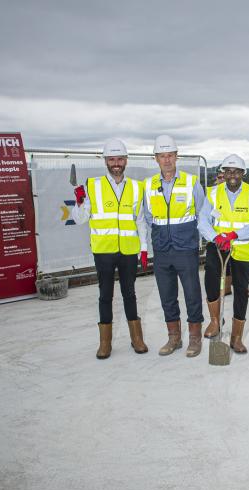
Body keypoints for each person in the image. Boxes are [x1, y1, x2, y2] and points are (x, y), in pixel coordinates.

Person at [72, 138, 149, 359]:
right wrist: (79, 202)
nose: (116, 163)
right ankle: (105, 343)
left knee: (130, 294)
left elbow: (140, 220)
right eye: (112, 159)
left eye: (120, 159)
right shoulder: (91, 186)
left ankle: (137, 338)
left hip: (128, 251)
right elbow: (80, 219)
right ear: (105, 161)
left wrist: (143, 248)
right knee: (105, 295)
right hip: (103, 251)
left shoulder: (137, 186)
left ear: (126, 161)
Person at [144, 135, 207, 357]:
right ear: (156, 159)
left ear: (176, 157)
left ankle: (194, 338)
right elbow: (148, 217)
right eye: (162, 156)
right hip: (162, 250)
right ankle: (174, 338)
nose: (167, 160)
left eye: (170, 155)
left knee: (192, 293)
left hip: (186, 249)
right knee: (166, 295)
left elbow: (202, 213)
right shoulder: (149, 185)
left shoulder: (191, 182)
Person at [198, 154, 249, 354]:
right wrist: (215, 237)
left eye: (236, 171)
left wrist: (236, 234)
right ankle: (216, 321)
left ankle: (236, 338)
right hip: (218, 247)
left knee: (241, 290)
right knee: (211, 283)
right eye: (228, 171)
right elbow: (203, 220)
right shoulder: (213, 193)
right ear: (223, 174)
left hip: (242, 247)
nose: (232, 175)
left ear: (243, 173)